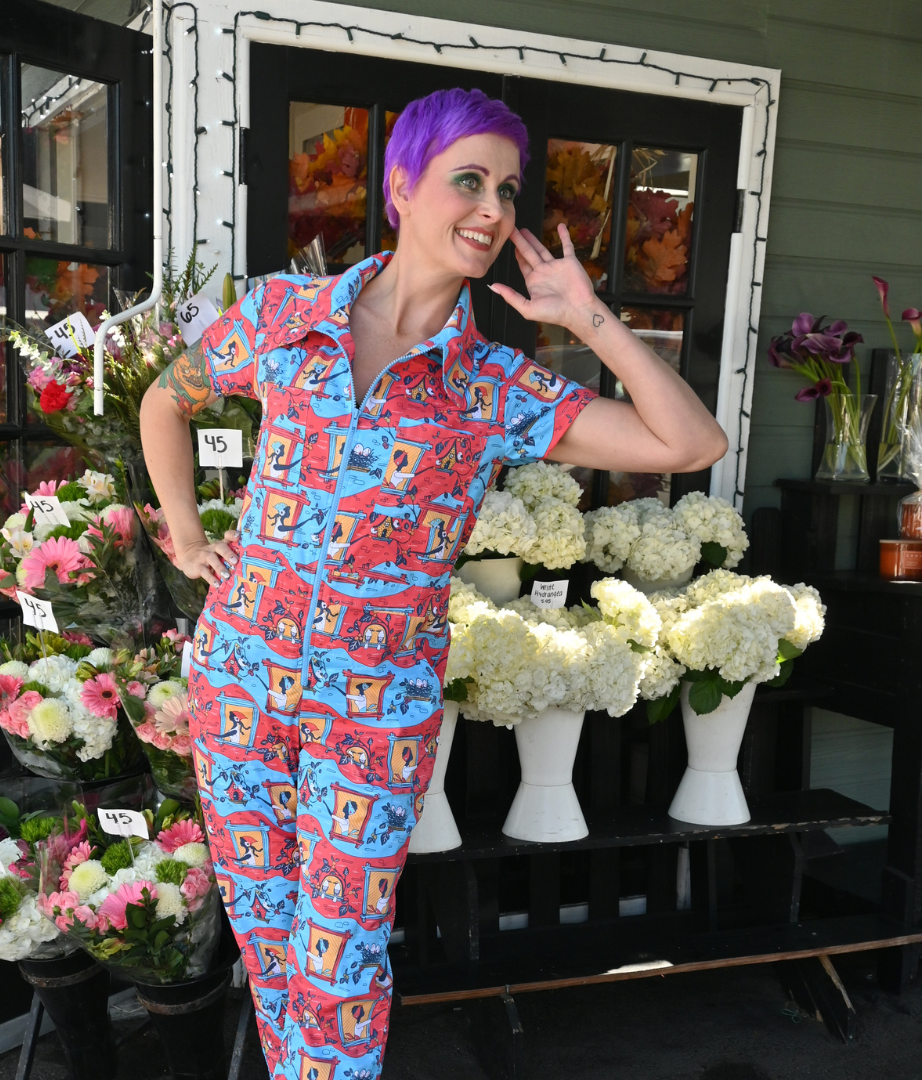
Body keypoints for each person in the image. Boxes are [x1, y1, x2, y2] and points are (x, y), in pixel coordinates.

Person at [140, 86, 726, 1080]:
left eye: (506, 187)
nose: (494, 208)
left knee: (343, 949)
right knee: (269, 935)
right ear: (402, 187)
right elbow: (167, 397)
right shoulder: (284, 315)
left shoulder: (490, 386)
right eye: (469, 180)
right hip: (239, 680)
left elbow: (690, 441)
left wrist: (588, 316)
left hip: (373, 708)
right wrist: (188, 537)